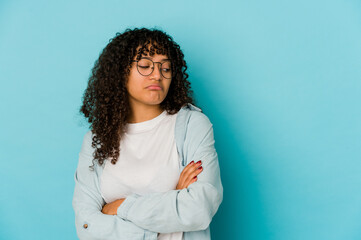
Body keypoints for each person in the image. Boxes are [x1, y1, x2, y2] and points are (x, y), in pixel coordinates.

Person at [72, 27, 223, 240]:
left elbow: (199, 208)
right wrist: (173, 199)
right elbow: (87, 227)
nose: (157, 75)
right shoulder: (96, 141)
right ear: (120, 72)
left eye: (166, 68)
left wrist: (121, 207)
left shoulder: (192, 125)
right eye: (145, 66)